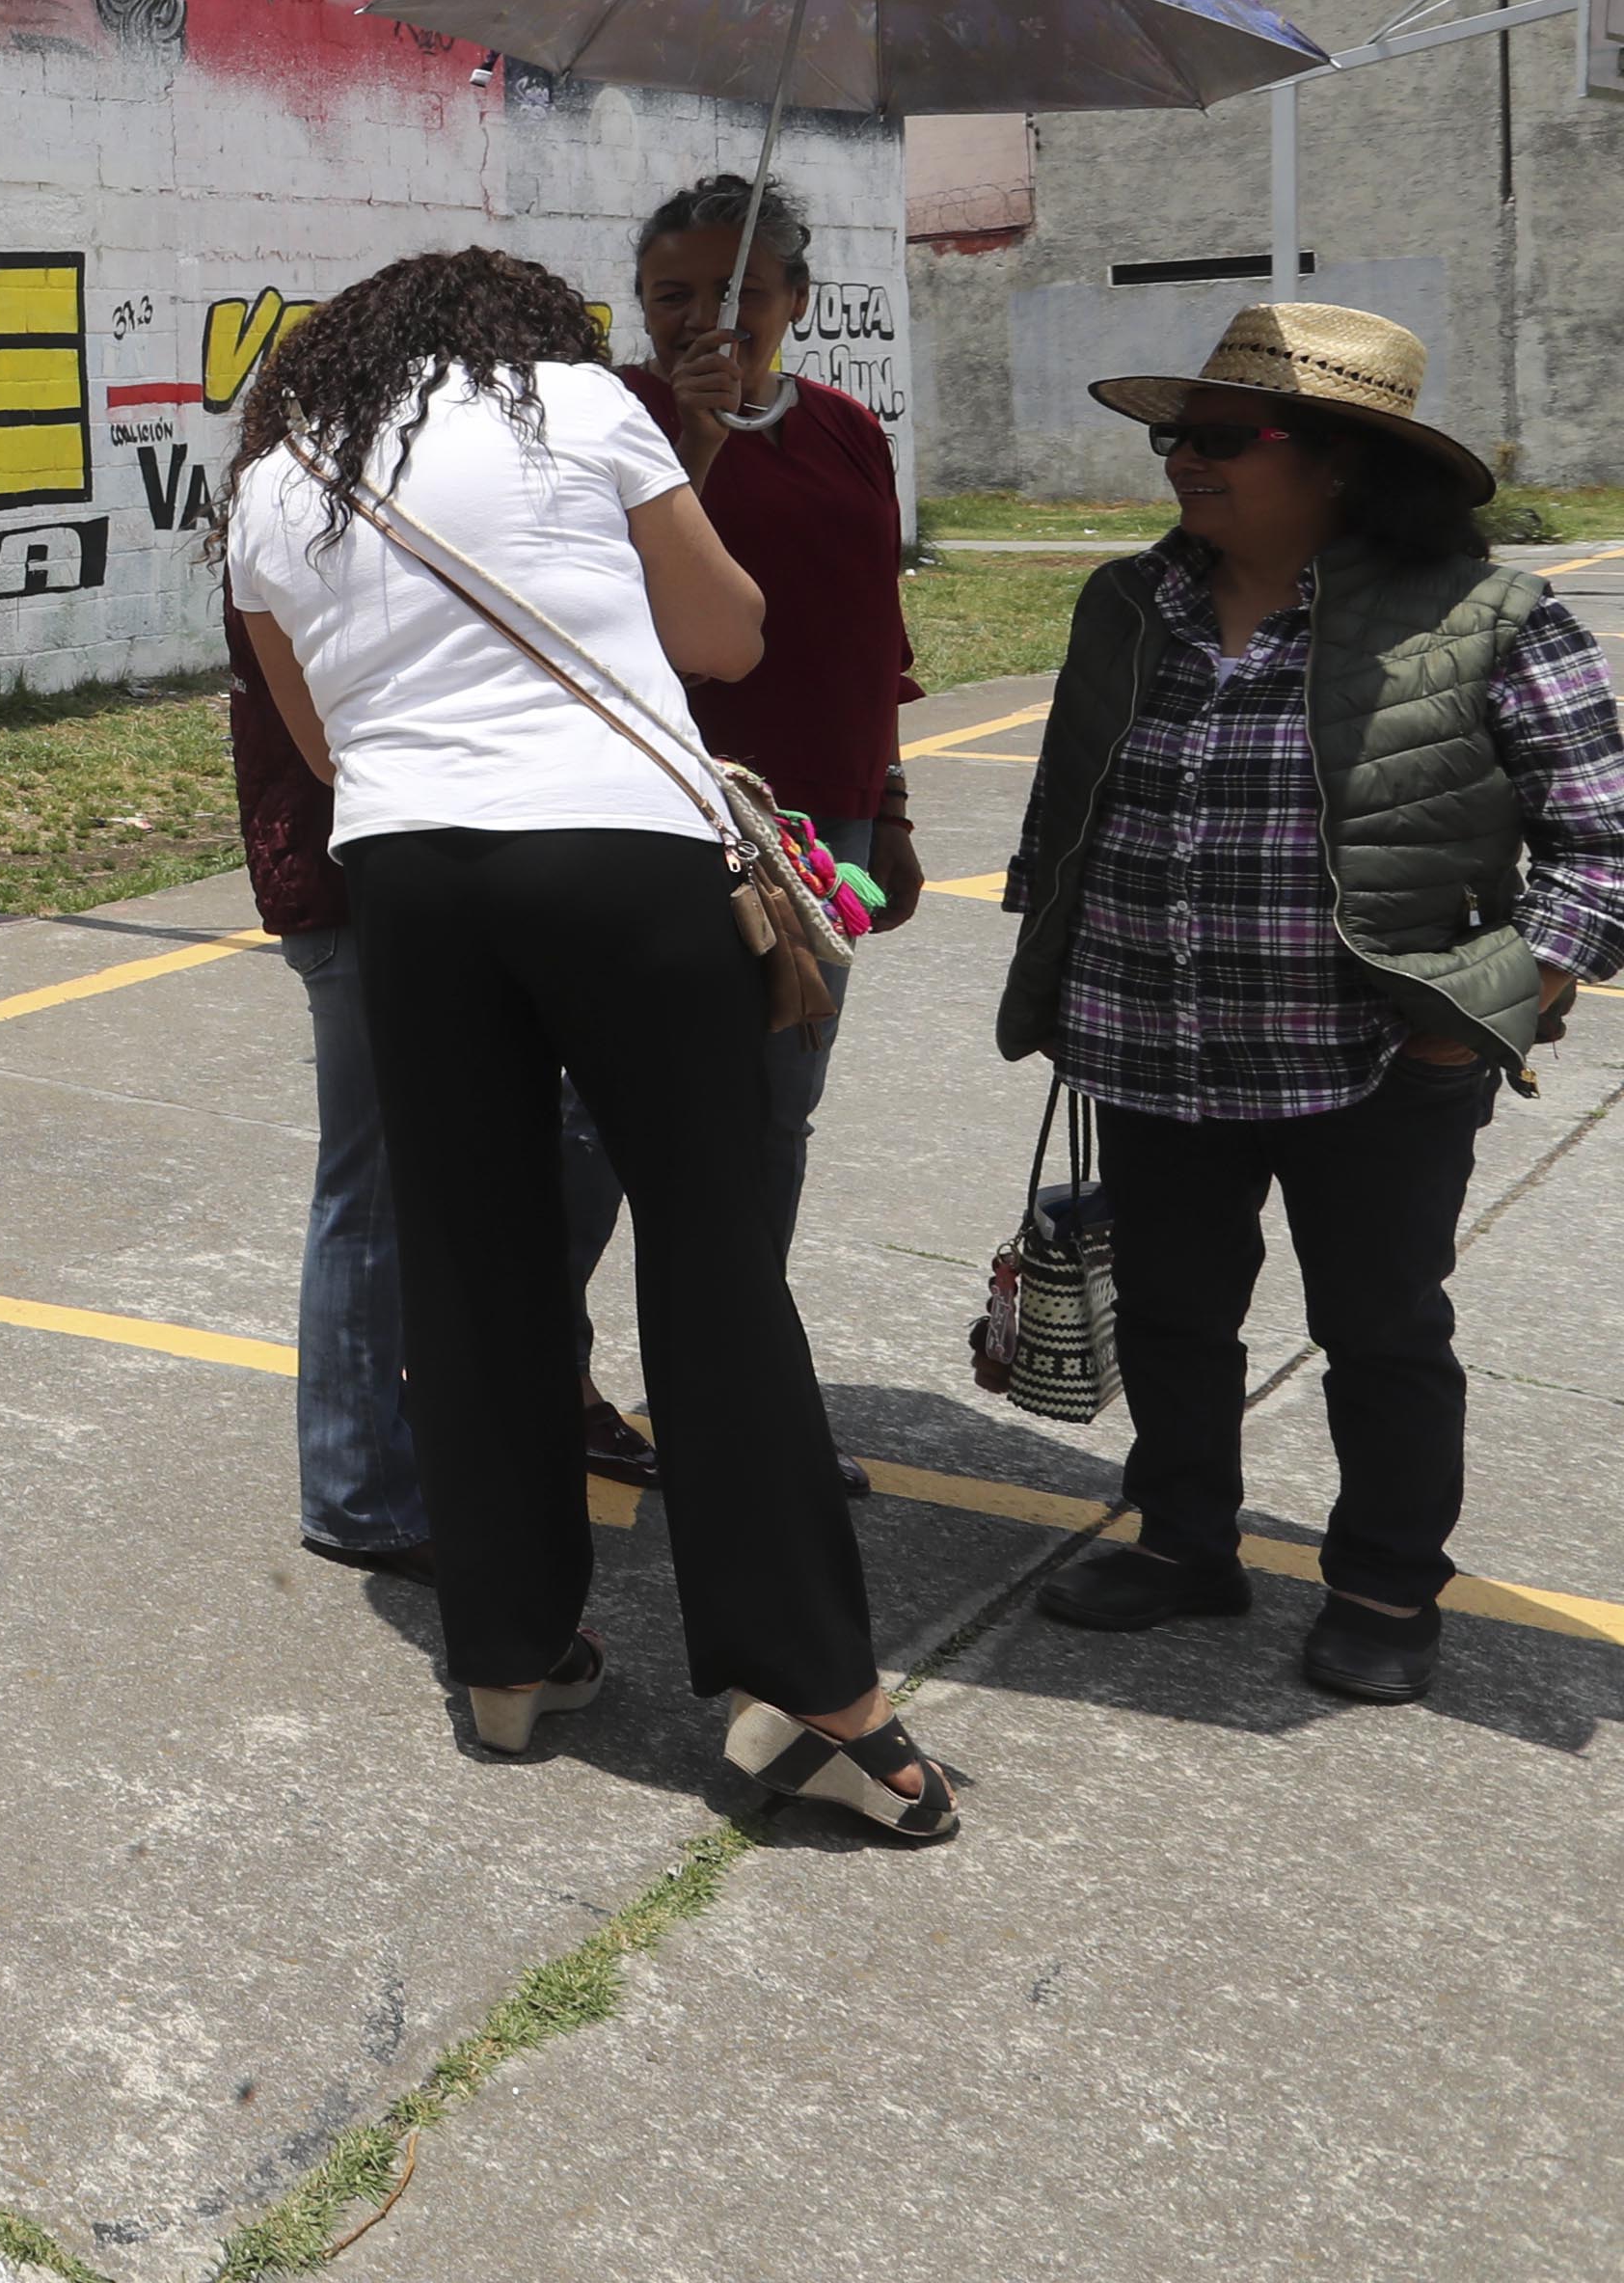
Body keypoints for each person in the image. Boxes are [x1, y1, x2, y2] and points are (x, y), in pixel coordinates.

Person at [221, 245, 950, 1838]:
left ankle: (507, 1653)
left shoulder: (275, 479)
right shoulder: (578, 404)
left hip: (409, 876)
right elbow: (728, 637)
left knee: (470, 1265)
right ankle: (814, 1693)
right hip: (616, 853)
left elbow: (326, 740)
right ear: (528, 329)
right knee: (706, 1256)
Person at [1006, 307, 1623, 1703]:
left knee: (1382, 1326)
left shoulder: (1488, 618)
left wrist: (1497, 998)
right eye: (1179, 433)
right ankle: (1182, 1546)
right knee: (1170, 1310)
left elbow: (1602, 842)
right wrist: (1060, 964)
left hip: (1378, 1061)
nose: (1184, 461)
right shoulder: (1128, 603)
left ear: (1341, 462)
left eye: (1226, 439)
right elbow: (1067, 804)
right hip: (1150, 1041)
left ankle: (1388, 1586)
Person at [560, 181, 916, 1499]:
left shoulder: (846, 433)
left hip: (821, 828)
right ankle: (547, 1377)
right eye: (674, 295)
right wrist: (692, 453)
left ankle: (736, 1405)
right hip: (657, 816)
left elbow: (875, 625)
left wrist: (893, 800)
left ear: (795, 305)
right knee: (606, 1118)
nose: (706, 318)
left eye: (740, 294)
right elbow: (601, 614)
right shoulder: (605, 428)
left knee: (774, 1118)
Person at [231, 579, 425, 1580]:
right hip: (358, 882)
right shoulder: (299, 507)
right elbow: (333, 740)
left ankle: (377, 1468)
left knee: (385, 1185)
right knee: (374, 1187)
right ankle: (362, 1494)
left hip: (366, 876)